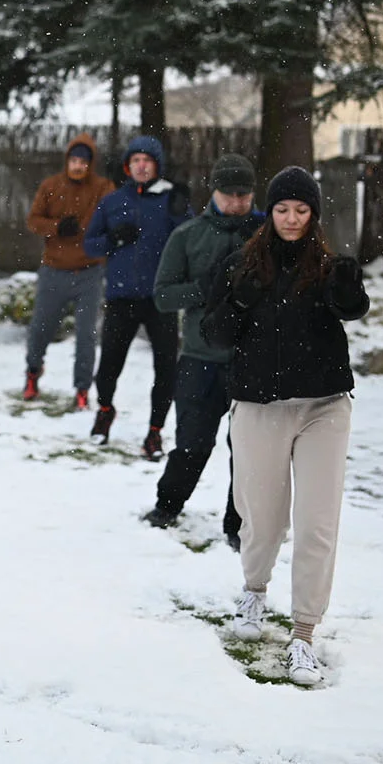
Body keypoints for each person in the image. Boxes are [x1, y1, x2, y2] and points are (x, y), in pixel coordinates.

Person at [201, 166, 369, 687]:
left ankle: (303, 634)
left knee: (317, 522)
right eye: (282, 209)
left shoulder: (330, 267)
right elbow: (212, 334)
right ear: (268, 213)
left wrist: (347, 292)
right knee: (262, 517)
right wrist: (239, 300)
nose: (292, 219)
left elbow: (354, 309)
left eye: (301, 210)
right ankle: (254, 592)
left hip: (324, 406)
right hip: (258, 404)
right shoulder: (239, 265)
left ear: (313, 214)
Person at [142, 153, 262, 542]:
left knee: (247, 455)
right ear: (213, 191)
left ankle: (237, 525)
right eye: (229, 194)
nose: (237, 202)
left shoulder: (265, 235)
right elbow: (162, 297)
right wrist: (203, 289)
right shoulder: (188, 236)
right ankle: (168, 505)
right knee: (192, 444)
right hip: (199, 359)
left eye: (245, 195)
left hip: (250, 360)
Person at [83, 134, 191, 457]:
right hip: (122, 296)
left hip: (160, 298)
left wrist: (182, 209)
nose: (141, 166)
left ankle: (155, 432)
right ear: (128, 167)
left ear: (157, 165)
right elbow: (90, 245)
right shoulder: (112, 202)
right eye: (135, 161)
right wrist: (113, 240)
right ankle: (104, 411)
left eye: (147, 161)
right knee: (109, 365)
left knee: (166, 369)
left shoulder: (171, 199)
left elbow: (191, 239)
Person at [22, 133, 115, 410]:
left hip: (89, 272)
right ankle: (32, 372)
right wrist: (56, 227)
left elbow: (113, 215)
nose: (78, 166)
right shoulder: (51, 186)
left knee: (86, 335)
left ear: (90, 164)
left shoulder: (102, 187)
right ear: (67, 161)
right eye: (74, 160)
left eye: (83, 162)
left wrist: (92, 231)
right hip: (54, 269)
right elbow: (34, 220)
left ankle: (82, 389)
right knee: (40, 328)